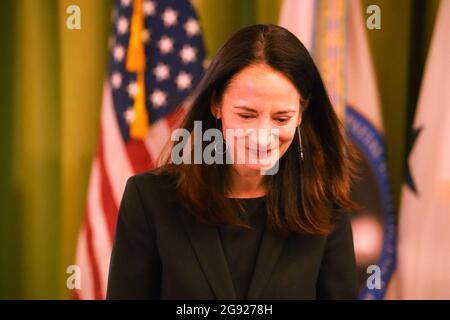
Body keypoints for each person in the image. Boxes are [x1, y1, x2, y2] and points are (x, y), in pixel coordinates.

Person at [106, 24, 358, 300]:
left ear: (300, 115)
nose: (263, 137)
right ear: (217, 105)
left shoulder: (325, 206)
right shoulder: (149, 199)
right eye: (247, 115)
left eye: (281, 118)